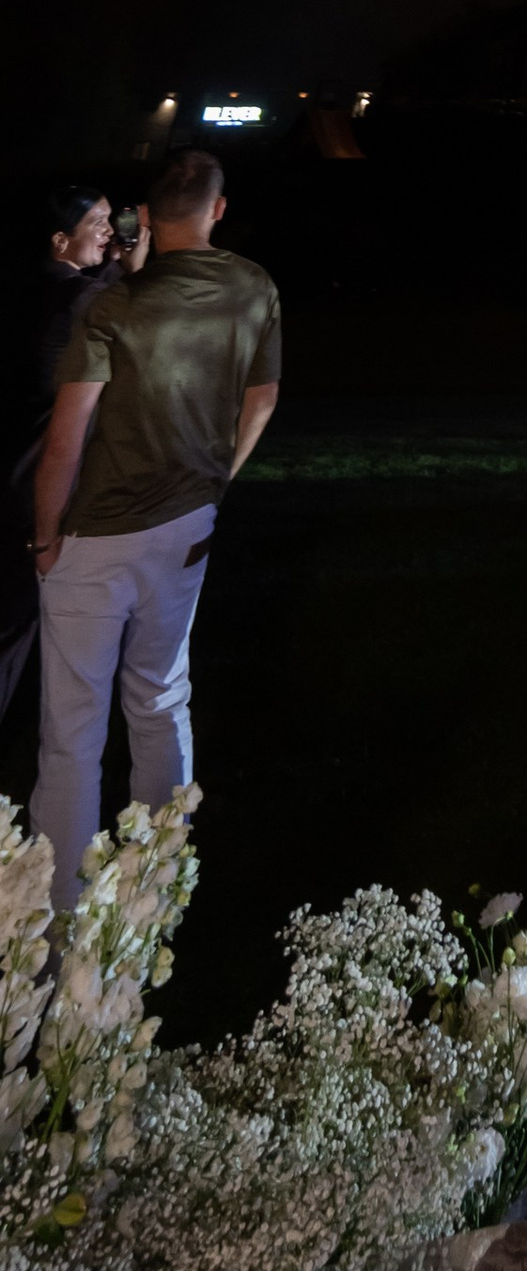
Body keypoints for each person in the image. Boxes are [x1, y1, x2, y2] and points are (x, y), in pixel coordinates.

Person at [28, 149, 281, 911]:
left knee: (72, 730)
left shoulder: (114, 308)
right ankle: (156, 886)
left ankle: (56, 916)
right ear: (218, 209)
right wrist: (215, 483)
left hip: (96, 535)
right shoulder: (253, 286)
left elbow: (66, 439)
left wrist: (44, 536)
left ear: (148, 216)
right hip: (186, 525)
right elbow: (261, 400)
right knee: (162, 698)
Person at [0, 192, 147, 733]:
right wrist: (134, 270)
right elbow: (122, 310)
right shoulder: (79, 299)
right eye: (97, 223)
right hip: (38, 484)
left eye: (113, 220)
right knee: (19, 623)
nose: (110, 232)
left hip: (17, 470)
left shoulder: (31, 287)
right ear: (60, 241)